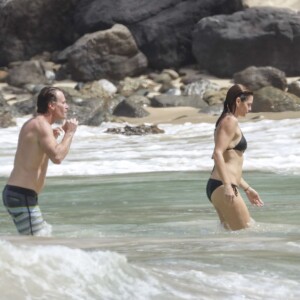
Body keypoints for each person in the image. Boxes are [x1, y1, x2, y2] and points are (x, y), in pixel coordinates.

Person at [2, 86, 78, 235]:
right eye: (63, 102)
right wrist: (69, 133)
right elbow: (57, 157)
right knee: (37, 242)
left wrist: (53, 138)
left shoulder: (39, 125)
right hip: (21, 195)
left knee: (39, 241)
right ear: (51, 105)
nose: (67, 106)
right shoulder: (41, 125)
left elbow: (35, 154)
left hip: (20, 194)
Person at [206, 84, 264, 231]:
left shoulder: (227, 120)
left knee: (231, 237)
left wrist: (247, 188)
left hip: (219, 186)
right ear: (238, 101)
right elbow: (217, 153)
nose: (250, 109)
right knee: (247, 232)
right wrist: (227, 186)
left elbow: (230, 162)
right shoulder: (230, 121)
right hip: (223, 186)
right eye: (249, 104)